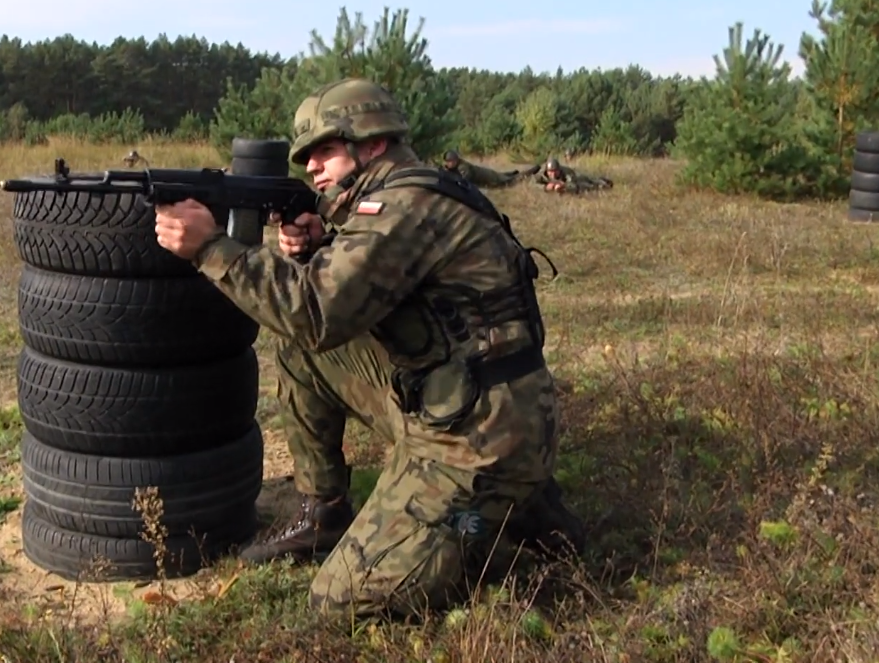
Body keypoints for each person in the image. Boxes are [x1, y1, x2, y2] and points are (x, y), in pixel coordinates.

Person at [152, 77, 586, 620]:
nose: (310, 167)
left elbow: (315, 312)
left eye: (325, 150)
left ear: (373, 143)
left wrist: (211, 249)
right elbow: (364, 296)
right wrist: (324, 242)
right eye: (305, 156)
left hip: (478, 436)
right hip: (455, 397)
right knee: (301, 354)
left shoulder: (404, 205)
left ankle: (494, 532)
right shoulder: (412, 190)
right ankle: (323, 513)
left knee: (341, 600)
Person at [441, 149, 541, 189]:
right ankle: (512, 173)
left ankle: (532, 170)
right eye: (447, 161)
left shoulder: (463, 167)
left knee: (512, 181)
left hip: (490, 178)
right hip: (488, 174)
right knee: (505, 176)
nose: (448, 164)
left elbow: (464, 181)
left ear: (455, 160)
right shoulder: (457, 166)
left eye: (450, 161)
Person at [535, 156, 613, 194]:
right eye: (550, 171)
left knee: (588, 183)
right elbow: (533, 183)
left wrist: (563, 186)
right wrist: (545, 187)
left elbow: (573, 186)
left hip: (576, 179)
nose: (553, 174)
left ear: (559, 170)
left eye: (555, 171)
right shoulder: (542, 174)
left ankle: (603, 182)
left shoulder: (567, 173)